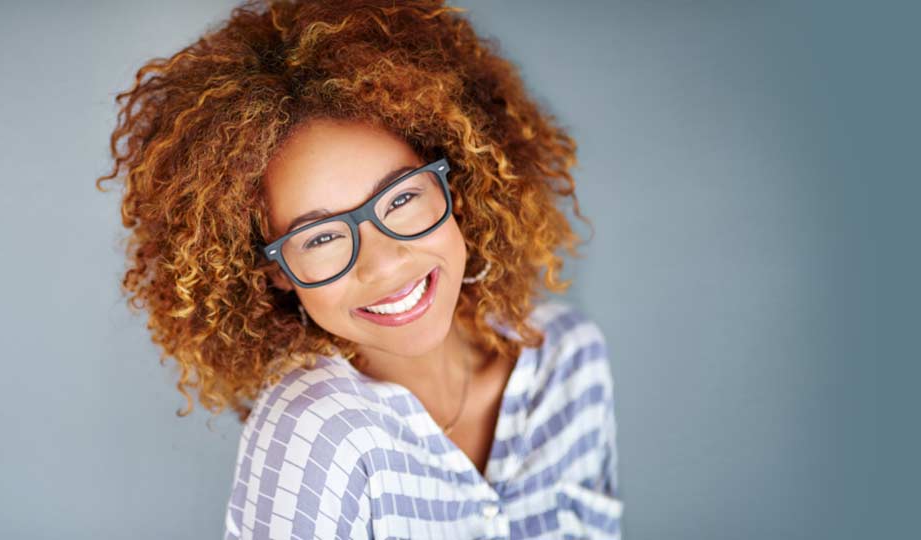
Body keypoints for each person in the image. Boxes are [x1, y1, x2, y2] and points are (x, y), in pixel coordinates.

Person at [96, 1, 621, 538]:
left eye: (401, 199)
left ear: (455, 185)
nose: (384, 261)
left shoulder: (568, 361)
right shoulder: (315, 432)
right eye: (320, 236)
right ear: (274, 271)